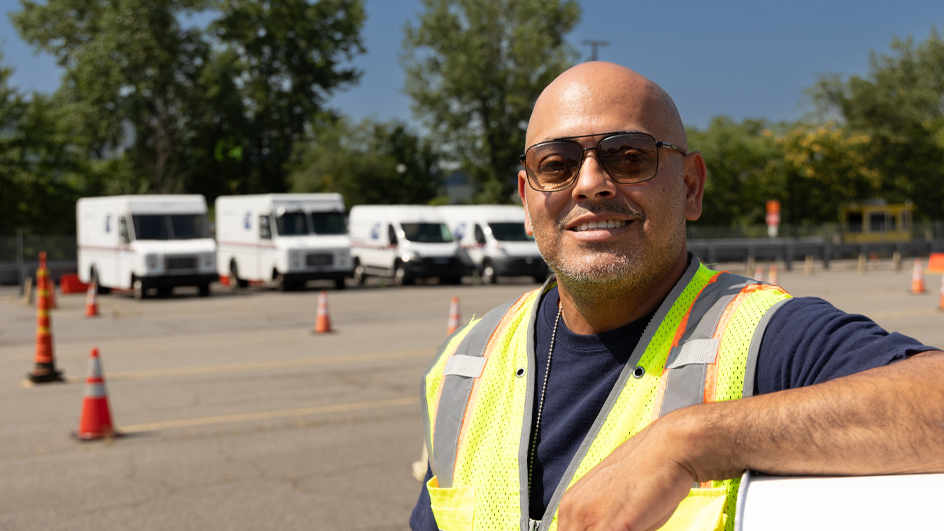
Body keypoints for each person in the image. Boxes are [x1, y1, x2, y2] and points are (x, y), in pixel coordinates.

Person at [410, 62, 944, 531]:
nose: (590, 183)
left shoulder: (761, 337)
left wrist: (691, 441)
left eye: (629, 157)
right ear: (528, 201)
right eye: (557, 164)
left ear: (690, 186)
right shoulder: (464, 366)